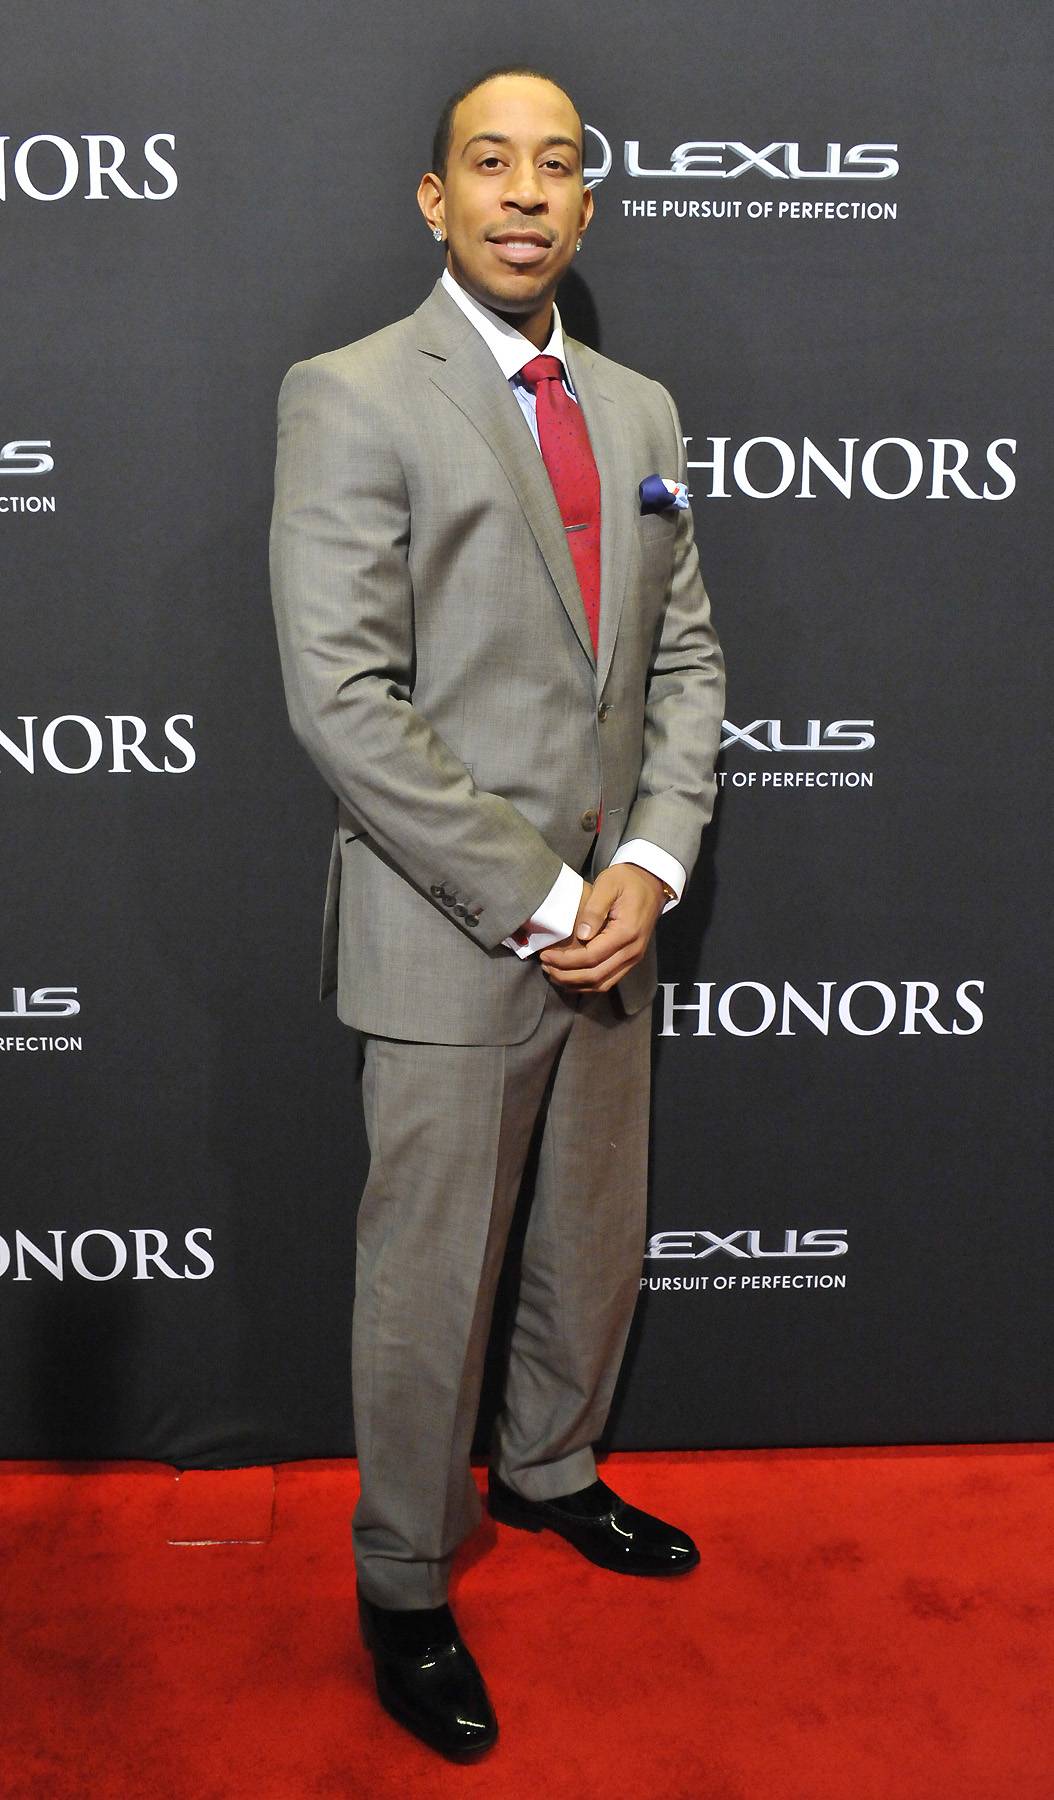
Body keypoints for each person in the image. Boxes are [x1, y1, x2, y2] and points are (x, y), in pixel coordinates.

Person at [269, 65, 725, 1761]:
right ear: (434, 198)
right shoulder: (351, 395)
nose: (525, 193)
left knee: (590, 1237)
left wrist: (649, 868)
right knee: (428, 1277)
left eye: (556, 169)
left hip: (616, 917)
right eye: (490, 164)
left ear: (586, 207)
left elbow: (680, 657)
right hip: (452, 928)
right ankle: (400, 1580)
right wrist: (538, 893)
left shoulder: (640, 406)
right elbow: (343, 701)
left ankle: (547, 1471)